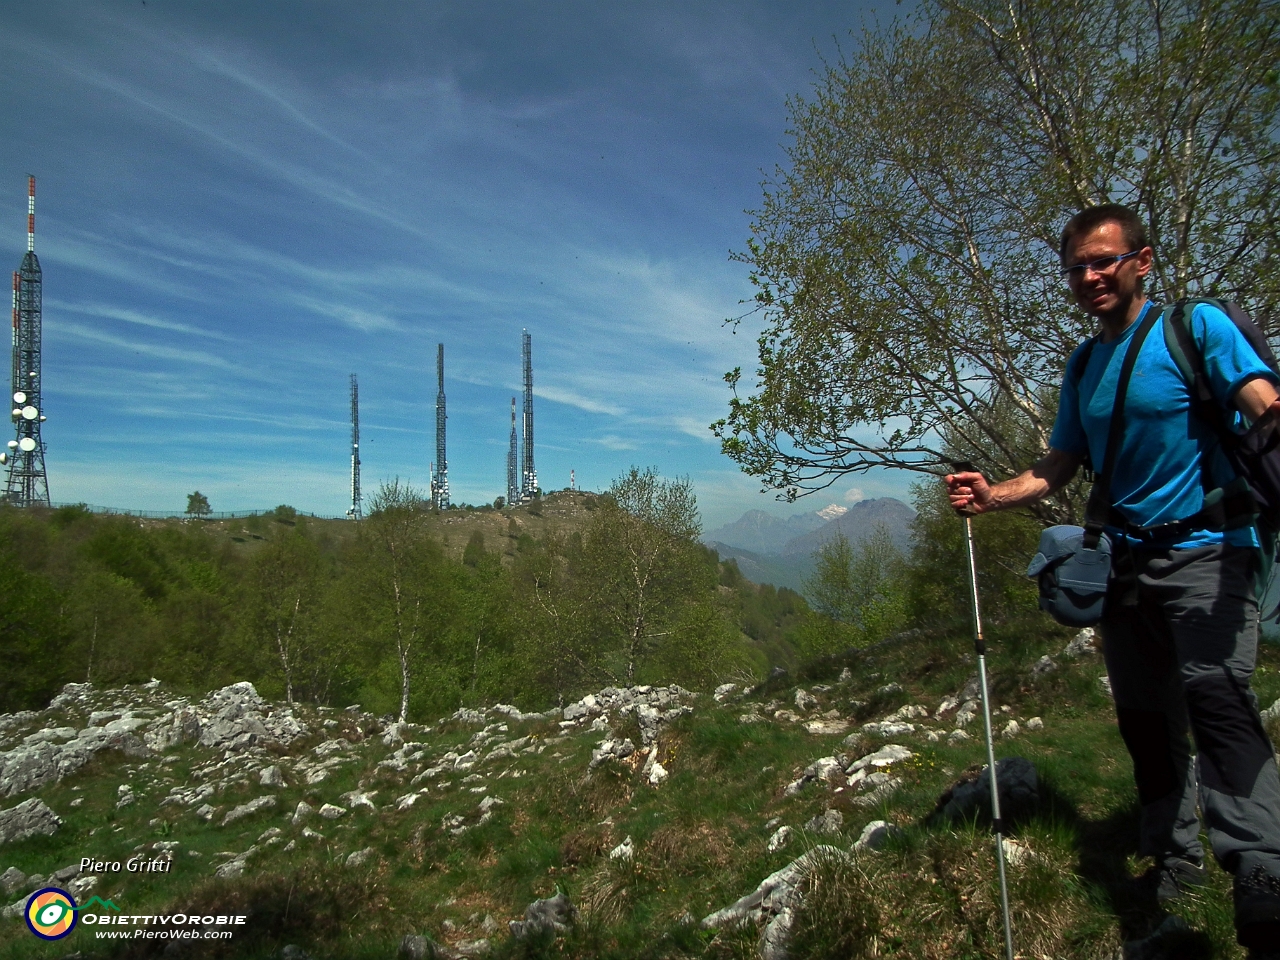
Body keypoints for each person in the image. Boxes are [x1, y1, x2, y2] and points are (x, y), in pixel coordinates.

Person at [945, 204, 1280, 955]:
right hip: (1123, 561)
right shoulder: (1083, 365)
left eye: (1103, 261)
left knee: (1217, 695)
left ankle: (1260, 867)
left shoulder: (1192, 329)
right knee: (1143, 719)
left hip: (1209, 547)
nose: (1090, 276)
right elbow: (1059, 462)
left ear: (1142, 260)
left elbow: (1261, 404)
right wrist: (992, 494)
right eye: (1076, 267)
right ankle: (1174, 853)